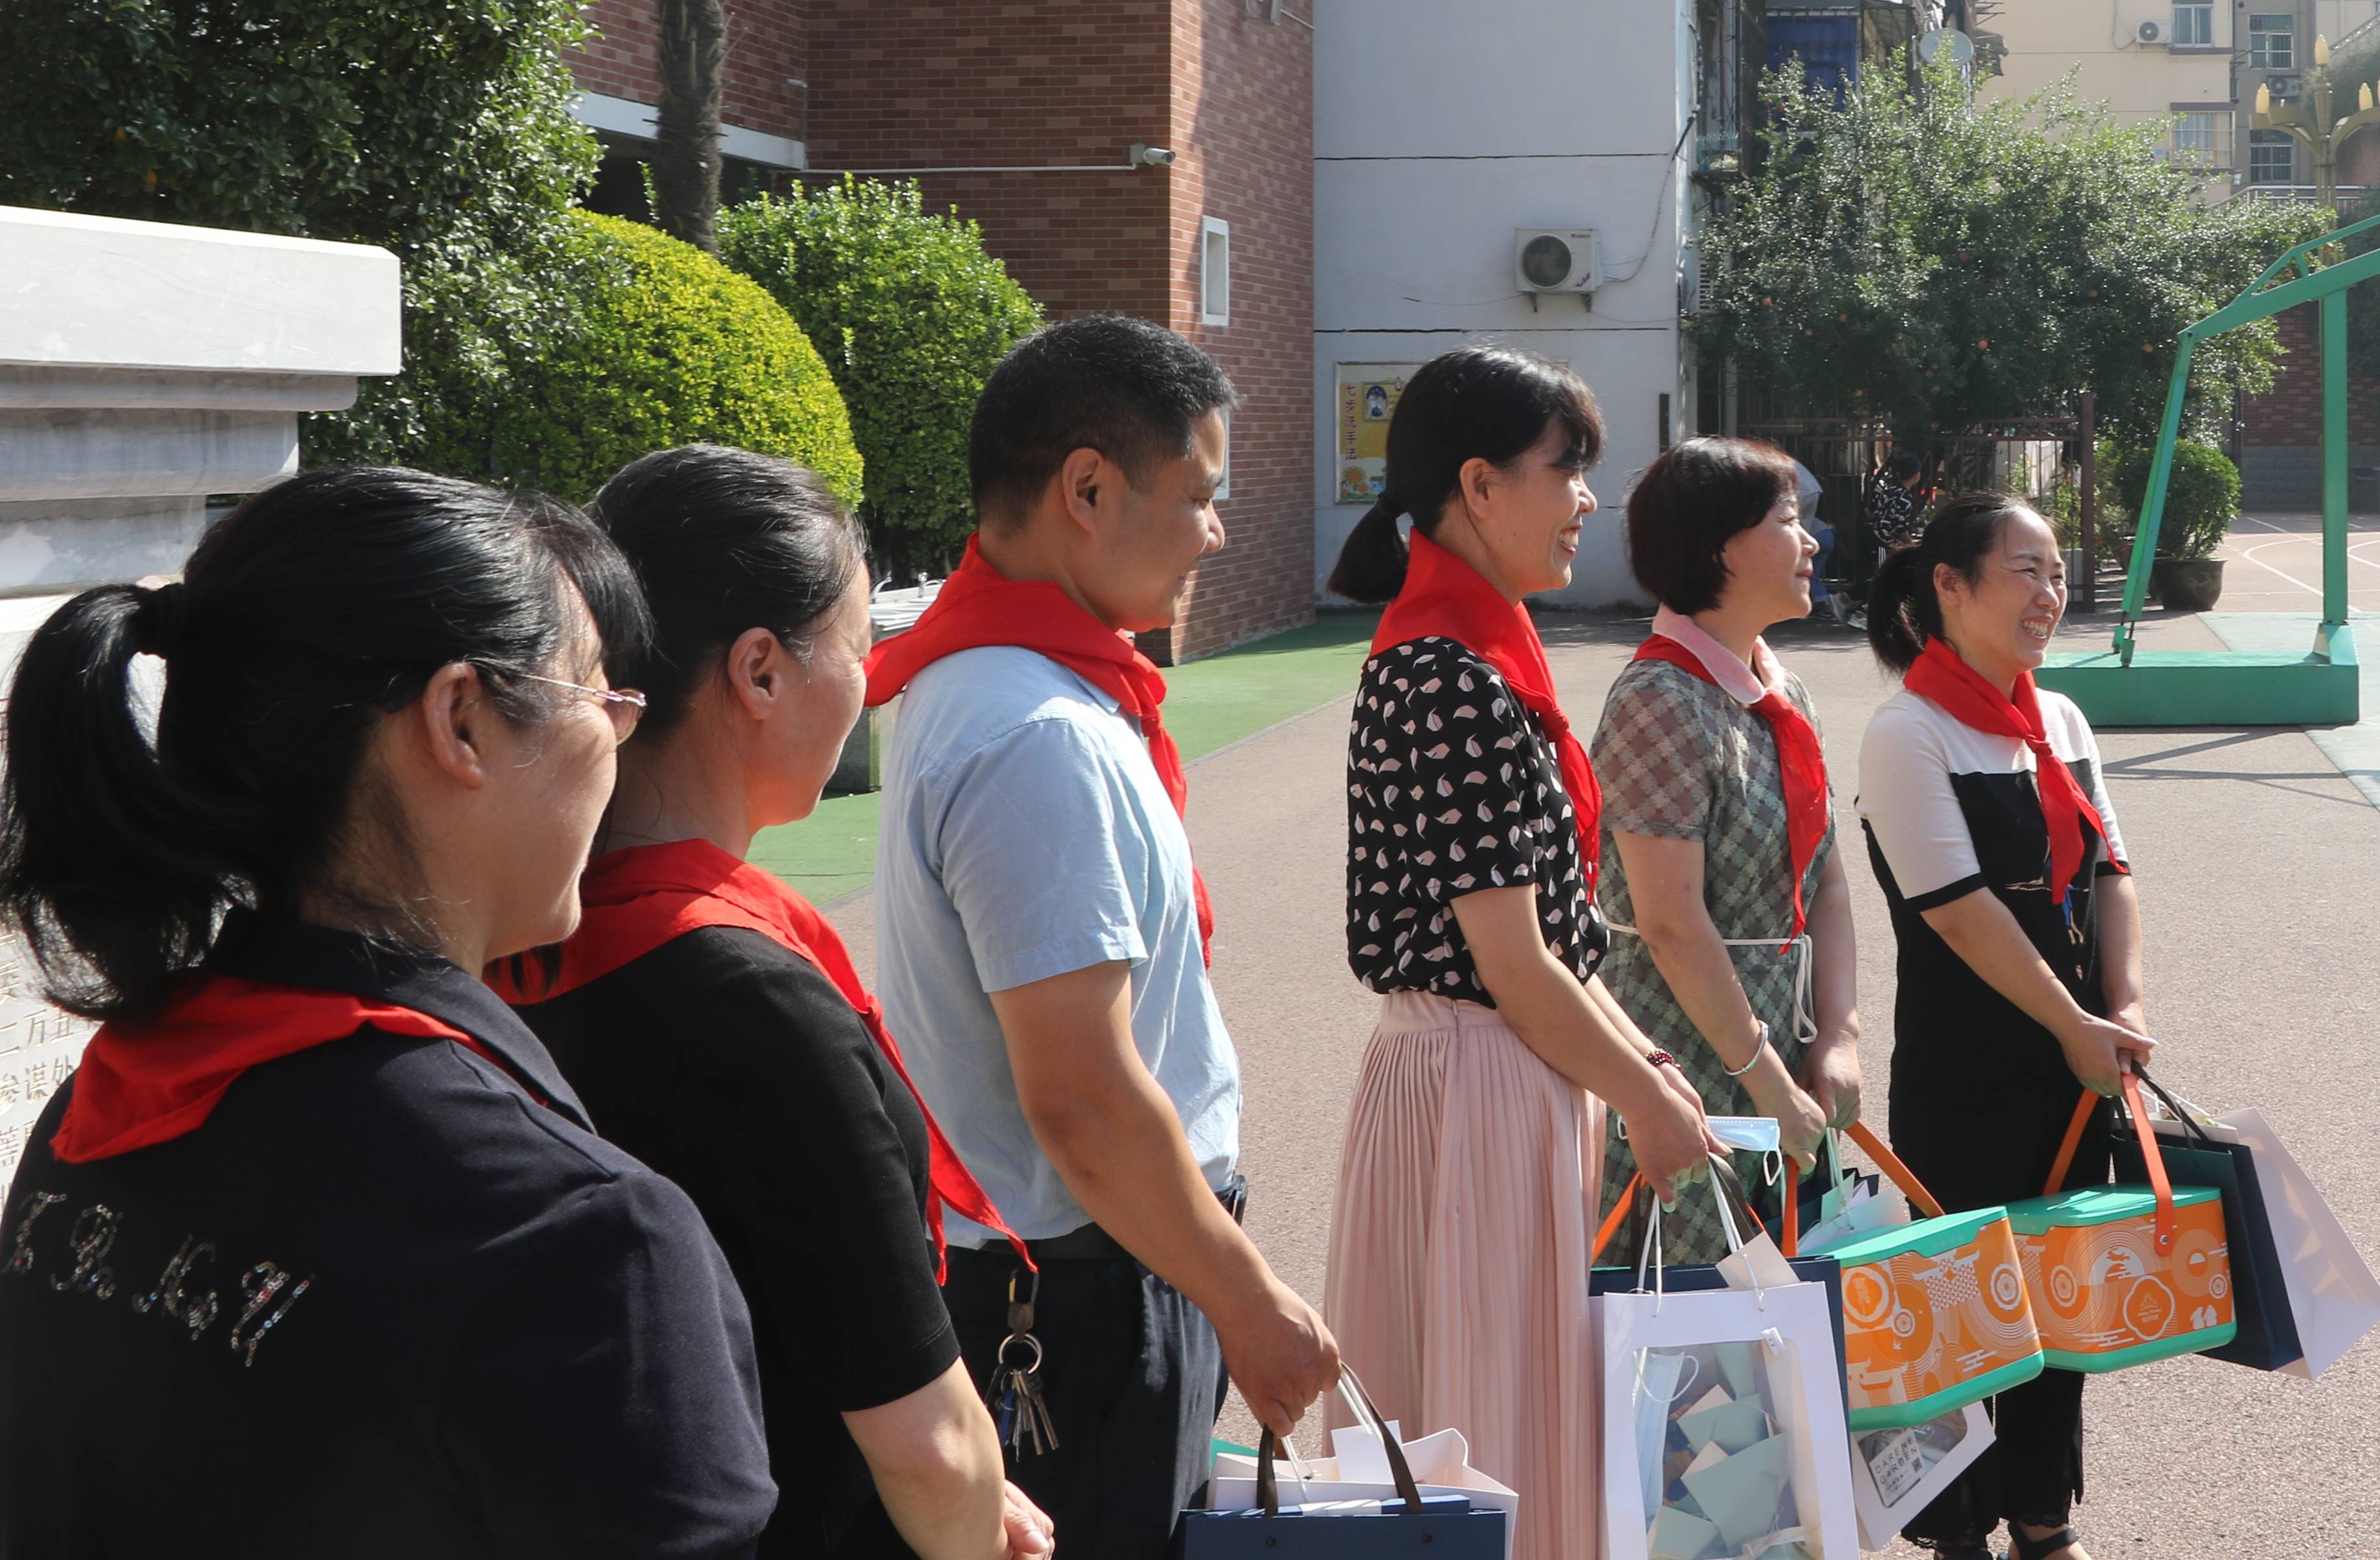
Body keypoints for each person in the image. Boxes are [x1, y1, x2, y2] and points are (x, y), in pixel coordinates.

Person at [0, 466, 772, 1556]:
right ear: (460, 718)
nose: (619, 735)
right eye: (599, 693)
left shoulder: (103, 1111)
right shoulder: (577, 1233)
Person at [503, 447, 1053, 1560]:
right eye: (857, 645)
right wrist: (958, 1495)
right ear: (759, 671)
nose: (869, 678)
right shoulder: (754, 1007)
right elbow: (927, 1443)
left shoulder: (505, 942)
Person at [868, 317, 1340, 1559]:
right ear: (1087, 488)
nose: (1215, 530)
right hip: (1081, 1294)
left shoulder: (1001, 682)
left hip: (1087, 1264)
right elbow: (1080, 1094)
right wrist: (1245, 1296)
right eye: (1198, 494)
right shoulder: (1041, 731)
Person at [1322, 347, 1726, 1560]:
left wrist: (1643, 1072)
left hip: (1501, 1076)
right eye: (1568, 470)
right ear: (1479, 485)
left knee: (1503, 1416)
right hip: (1477, 1083)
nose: (1585, 499)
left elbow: (1553, 945)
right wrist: (1642, 1098)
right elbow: (1515, 964)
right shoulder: (1448, 673)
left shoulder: (1477, 655)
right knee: (1486, 1425)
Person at [1856, 493, 2148, 1560]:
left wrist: (2122, 1009)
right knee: (1962, 1299)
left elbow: (2112, 871)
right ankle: (1956, 1528)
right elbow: (1962, 914)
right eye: (2025, 569)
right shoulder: (1907, 731)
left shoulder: (2059, 718)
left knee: (2063, 1292)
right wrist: (2075, 1019)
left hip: (2075, 1061)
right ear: (1948, 584)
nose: (2049, 592)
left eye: (2058, 569)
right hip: (1963, 1069)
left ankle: (2042, 1514)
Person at [1588, 437, 1863, 1263]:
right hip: (1684, 1080)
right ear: (1717, 547)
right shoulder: (1659, 700)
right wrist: (1770, 1084)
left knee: (1786, 1349)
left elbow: (1827, 879)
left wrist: (1839, 1036)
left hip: (1776, 1073)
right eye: (1788, 520)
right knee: (1693, 1358)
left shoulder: (1783, 688)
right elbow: (1669, 924)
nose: (1812, 541)